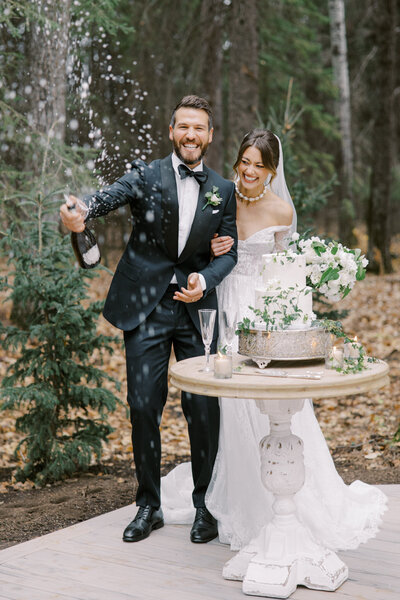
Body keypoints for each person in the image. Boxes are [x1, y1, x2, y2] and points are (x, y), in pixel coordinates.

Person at [161, 129, 387, 552]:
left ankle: (277, 494)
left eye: (258, 165)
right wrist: (211, 249)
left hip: (260, 311)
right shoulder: (221, 197)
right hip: (223, 303)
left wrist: (290, 325)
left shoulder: (281, 210)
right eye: (244, 161)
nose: (249, 170)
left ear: (271, 170)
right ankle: (231, 491)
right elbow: (193, 246)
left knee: (265, 401)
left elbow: (289, 274)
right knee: (229, 403)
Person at [60, 95, 238, 544]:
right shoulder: (146, 175)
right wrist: (80, 211)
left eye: (199, 127)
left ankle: (206, 507)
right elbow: (104, 199)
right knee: (143, 406)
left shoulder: (223, 189)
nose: (191, 135)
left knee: (203, 408)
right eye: (183, 127)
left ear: (210, 135)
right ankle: (148, 505)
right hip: (146, 307)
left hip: (198, 311)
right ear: (172, 131)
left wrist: (205, 277)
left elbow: (230, 247)